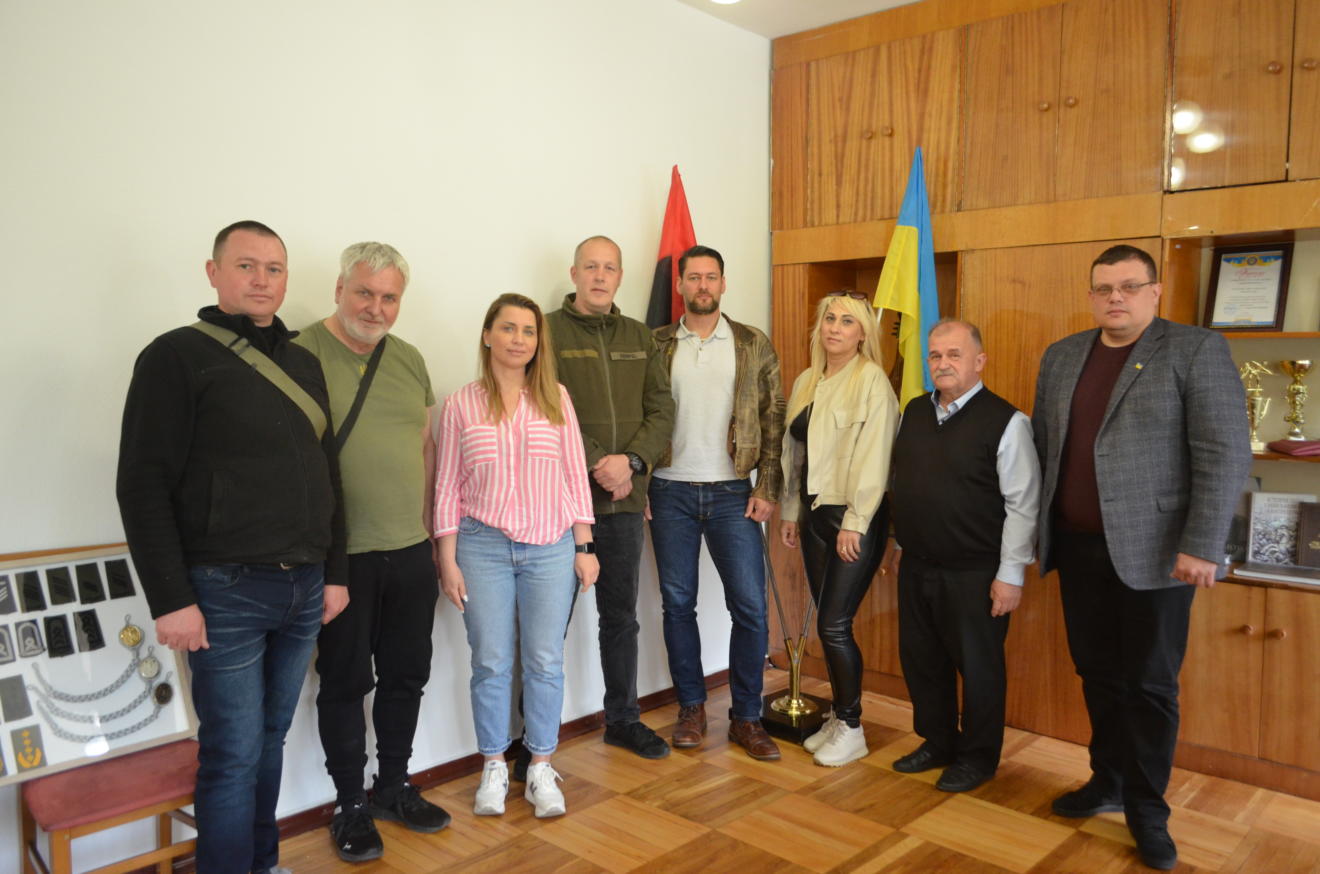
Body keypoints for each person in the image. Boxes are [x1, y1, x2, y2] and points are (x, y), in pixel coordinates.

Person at [116, 220, 348, 874]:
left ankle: (262, 864)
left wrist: (334, 571)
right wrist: (170, 598)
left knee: (270, 742)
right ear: (213, 272)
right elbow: (142, 482)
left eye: (274, 269)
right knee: (232, 755)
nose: (261, 280)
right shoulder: (174, 356)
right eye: (246, 266)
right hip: (224, 591)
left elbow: (328, 475)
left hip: (304, 586)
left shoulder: (304, 363)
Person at [1032, 245, 1251, 870]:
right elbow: (1046, 449)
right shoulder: (1062, 355)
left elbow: (1223, 451)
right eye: (1104, 288)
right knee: (1096, 673)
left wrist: (1202, 543)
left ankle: (1148, 810)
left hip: (1158, 555)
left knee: (1150, 685)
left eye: (1129, 286)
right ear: (1091, 295)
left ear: (1155, 292)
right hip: (1077, 548)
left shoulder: (1194, 349)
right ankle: (1107, 780)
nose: (1115, 298)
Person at [294, 242, 449, 863]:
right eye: (364, 292)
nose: (375, 307)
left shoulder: (408, 358)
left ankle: (393, 786)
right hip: (342, 558)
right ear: (339, 289)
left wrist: (430, 532)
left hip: (408, 548)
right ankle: (349, 804)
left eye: (389, 297)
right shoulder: (300, 354)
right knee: (344, 681)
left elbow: (426, 445)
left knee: (407, 675)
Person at [434, 293, 599, 819]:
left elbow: (574, 476)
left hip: (551, 547)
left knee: (545, 661)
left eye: (528, 331)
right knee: (490, 661)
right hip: (481, 547)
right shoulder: (461, 404)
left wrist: (584, 547)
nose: (518, 339)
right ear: (488, 335)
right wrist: (447, 559)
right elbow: (447, 486)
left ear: (537, 342)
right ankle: (493, 765)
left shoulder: (556, 399)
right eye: (508, 328)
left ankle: (541, 767)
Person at [887, 319, 1040, 792]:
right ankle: (938, 742)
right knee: (923, 661)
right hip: (917, 565)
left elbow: (1023, 504)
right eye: (935, 355)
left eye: (954, 354)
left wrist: (1011, 575)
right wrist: (899, 543)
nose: (943, 363)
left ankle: (978, 757)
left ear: (980, 361)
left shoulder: (1007, 422)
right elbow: (906, 482)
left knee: (978, 669)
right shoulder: (914, 411)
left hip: (976, 572)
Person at [650, 245, 785, 761]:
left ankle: (747, 717)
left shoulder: (751, 342)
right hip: (669, 490)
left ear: (723, 284)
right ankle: (691, 708)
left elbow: (773, 416)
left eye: (711, 277)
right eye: (693, 277)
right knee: (677, 604)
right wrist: (640, 485)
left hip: (734, 491)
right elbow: (640, 416)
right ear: (680, 285)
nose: (702, 285)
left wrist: (767, 484)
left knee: (750, 607)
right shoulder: (657, 343)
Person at [545, 236, 675, 760]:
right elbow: (544, 409)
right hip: (560, 506)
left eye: (610, 268)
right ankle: (534, 738)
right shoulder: (545, 332)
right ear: (574, 273)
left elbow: (662, 409)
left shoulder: (640, 336)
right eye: (591, 267)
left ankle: (623, 720)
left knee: (620, 618)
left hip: (623, 503)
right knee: (547, 626)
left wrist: (632, 463)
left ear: (620, 276)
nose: (600, 276)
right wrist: (602, 462)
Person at [778, 291, 898, 767]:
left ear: (862, 333)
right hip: (813, 515)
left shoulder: (872, 382)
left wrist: (855, 521)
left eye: (847, 321)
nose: (835, 328)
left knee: (834, 624)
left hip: (854, 519)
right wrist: (791, 512)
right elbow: (795, 455)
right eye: (829, 318)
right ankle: (838, 717)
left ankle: (851, 725)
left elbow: (875, 458)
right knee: (829, 626)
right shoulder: (807, 380)